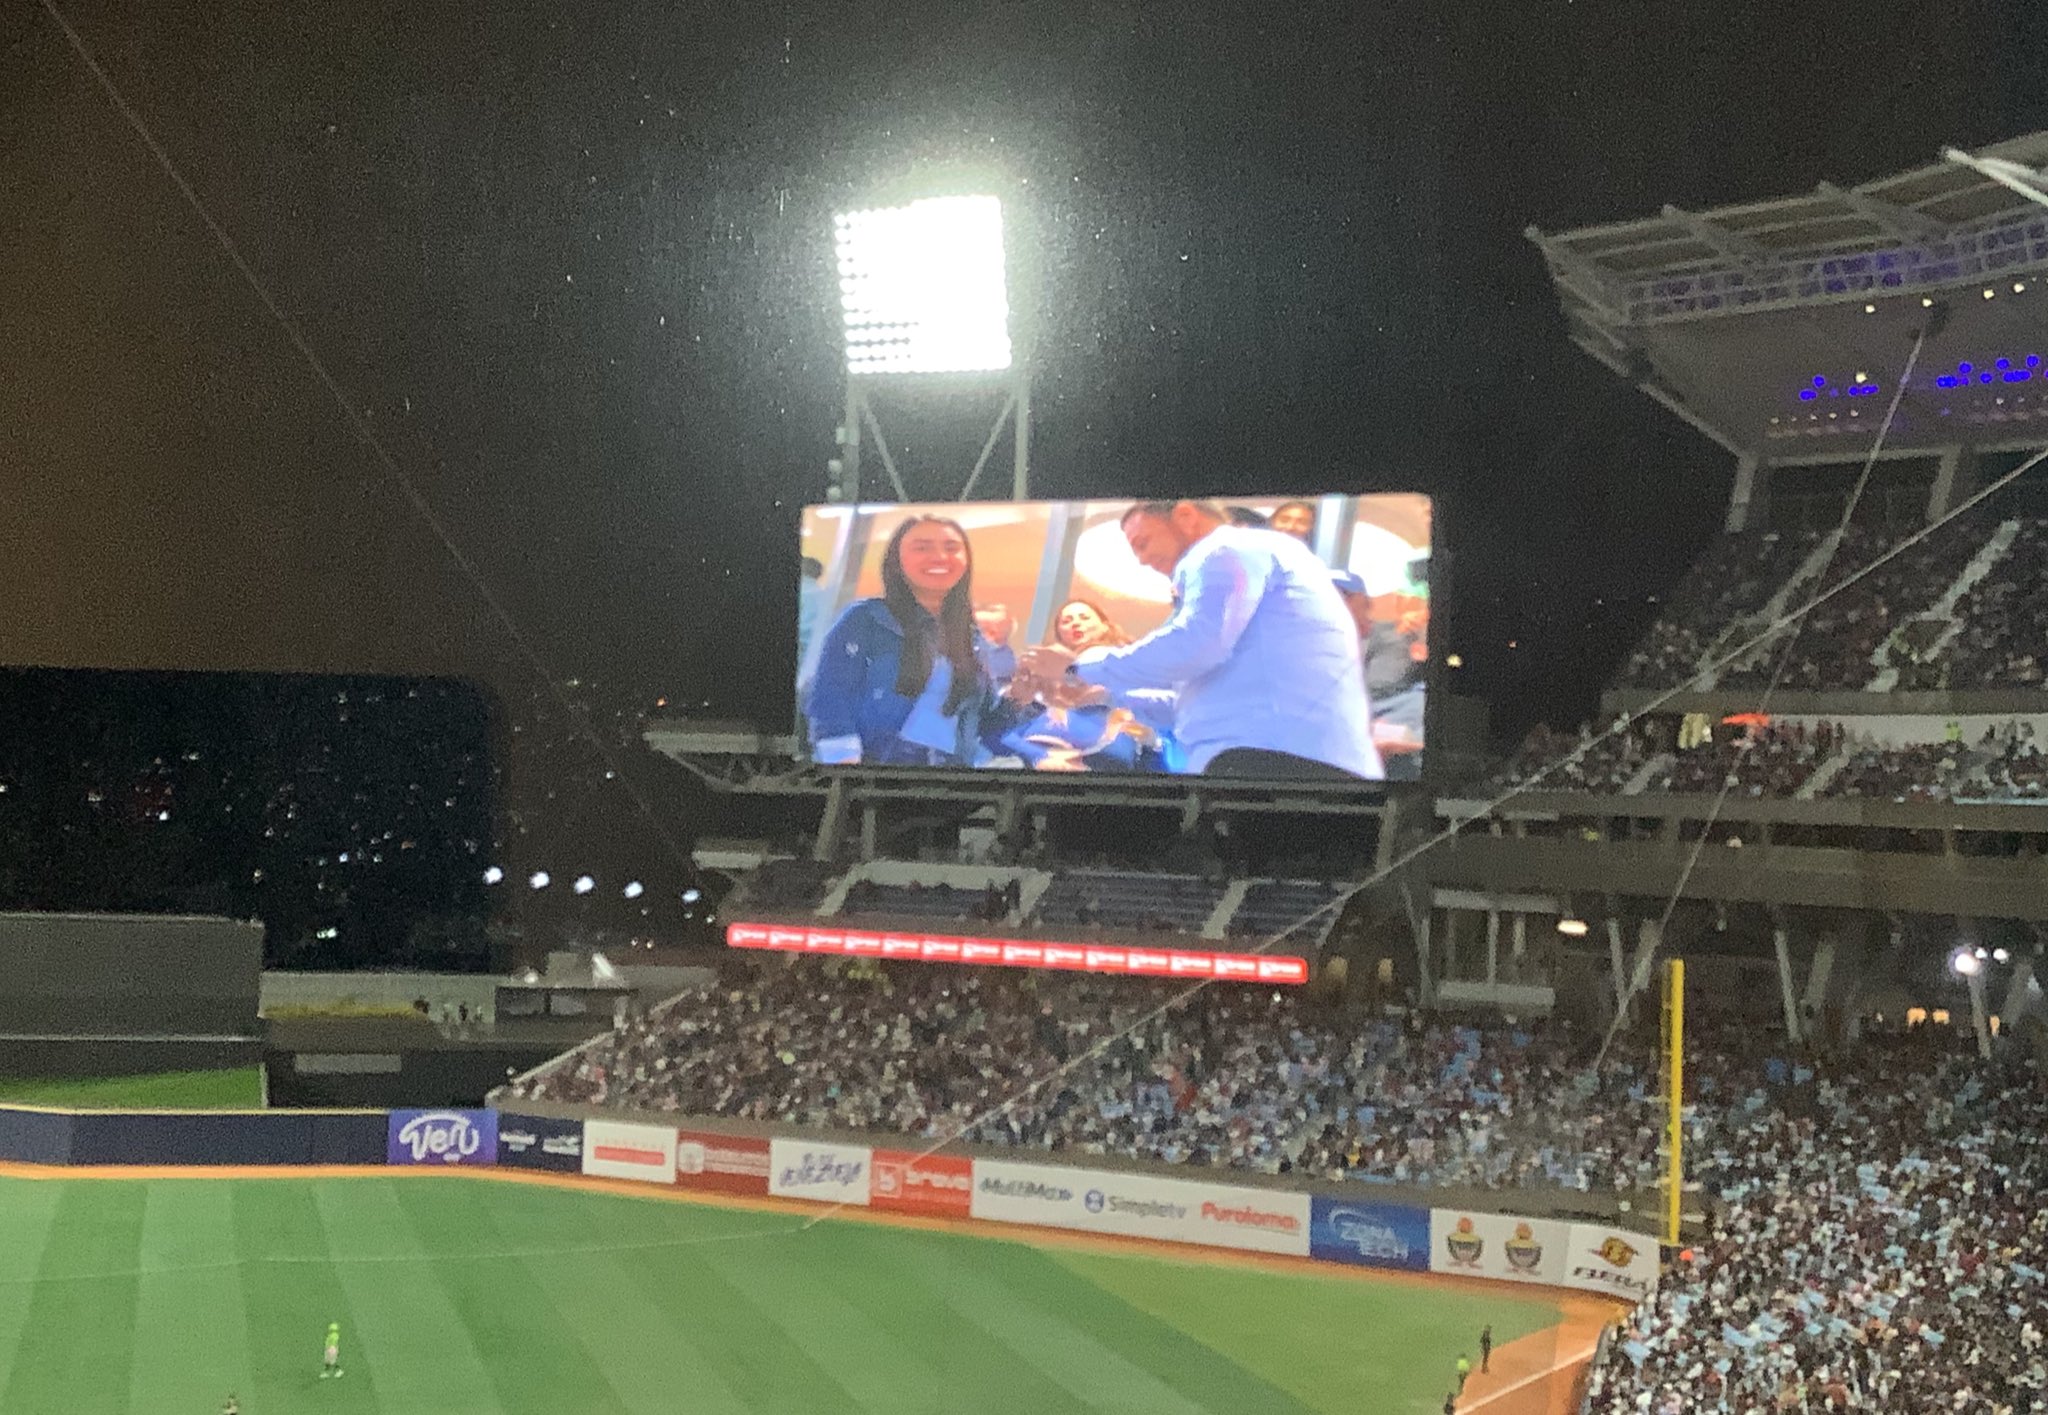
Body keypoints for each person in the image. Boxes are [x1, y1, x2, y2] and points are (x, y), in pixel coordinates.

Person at [1021, 501, 1381, 780]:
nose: (1143, 561)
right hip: (1278, 759)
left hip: (1273, 762)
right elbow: (1189, 704)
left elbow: (1197, 643)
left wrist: (1077, 667)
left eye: (1143, 544)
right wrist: (1103, 694)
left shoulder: (1224, 549)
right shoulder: (1248, 562)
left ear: (1186, 516)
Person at [804, 516, 1033, 767]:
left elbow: (980, 726)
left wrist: (1016, 700)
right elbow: (830, 696)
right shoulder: (866, 618)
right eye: (922, 548)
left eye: (951, 548)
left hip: (955, 773)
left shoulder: (972, 637)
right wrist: (844, 765)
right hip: (882, 769)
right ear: (896, 561)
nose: (939, 557)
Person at [1005, 599, 1174, 772]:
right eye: (1067, 621)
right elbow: (1001, 732)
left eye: (1084, 617)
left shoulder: (1132, 686)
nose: (1076, 623)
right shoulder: (1040, 682)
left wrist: (1153, 744)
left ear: (1105, 626)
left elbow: (1155, 771)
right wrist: (1039, 756)